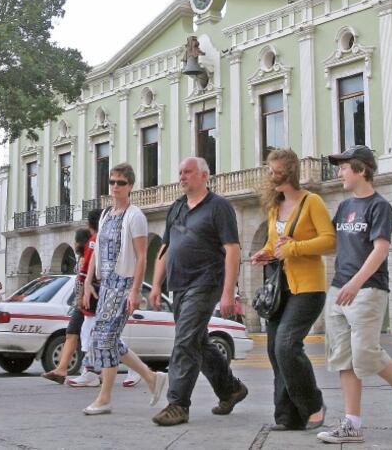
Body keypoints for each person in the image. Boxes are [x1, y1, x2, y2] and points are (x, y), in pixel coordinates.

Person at [316, 145, 392, 445]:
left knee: (365, 354)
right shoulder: (344, 207)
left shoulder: (379, 206)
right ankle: (352, 424)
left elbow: (381, 249)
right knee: (343, 358)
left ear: (361, 170)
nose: (340, 172)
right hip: (338, 289)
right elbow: (333, 244)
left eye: (344, 167)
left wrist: (356, 283)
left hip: (368, 289)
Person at [149, 157, 246, 427]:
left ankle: (178, 404)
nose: (182, 177)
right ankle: (231, 389)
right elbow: (165, 248)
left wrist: (228, 292)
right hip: (178, 284)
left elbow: (233, 249)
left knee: (184, 341)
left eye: (188, 172)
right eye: (180, 172)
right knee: (198, 342)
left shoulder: (219, 207)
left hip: (206, 282)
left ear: (204, 175)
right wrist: (156, 284)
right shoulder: (176, 208)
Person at [250, 148, 336, 432]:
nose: (271, 176)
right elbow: (277, 245)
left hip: (308, 289)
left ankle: (313, 405)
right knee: (275, 352)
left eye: (276, 171)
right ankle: (288, 417)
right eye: (269, 171)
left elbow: (329, 241)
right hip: (280, 290)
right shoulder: (275, 207)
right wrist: (265, 252)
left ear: (290, 172)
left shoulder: (312, 202)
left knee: (287, 345)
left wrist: (294, 248)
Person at [79, 163, 168, 414]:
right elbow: (96, 249)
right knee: (106, 338)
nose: (116, 187)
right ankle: (152, 379)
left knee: (104, 337)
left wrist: (135, 290)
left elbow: (142, 257)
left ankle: (105, 397)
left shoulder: (135, 215)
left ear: (130, 186)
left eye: (121, 183)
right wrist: (87, 282)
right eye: (112, 182)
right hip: (106, 284)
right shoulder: (107, 214)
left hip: (124, 283)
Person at [43, 224, 96, 385]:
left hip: (87, 299)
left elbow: (85, 277)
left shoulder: (88, 253)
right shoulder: (84, 256)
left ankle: (86, 370)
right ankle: (63, 369)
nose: (74, 245)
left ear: (81, 242)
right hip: (81, 301)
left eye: (75, 241)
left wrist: (80, 297)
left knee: (85, 335)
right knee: (73, 333)